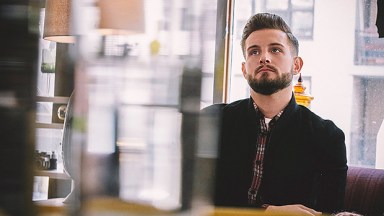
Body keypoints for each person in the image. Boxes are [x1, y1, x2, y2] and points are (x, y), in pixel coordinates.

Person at [204, 13, 348, 215]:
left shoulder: (328, 137)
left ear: (296, 65)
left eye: (275, 49)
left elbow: (329, 211)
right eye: (254, 52)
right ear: (245, 70)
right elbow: (194, 197)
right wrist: (268, 211)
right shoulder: (212, 121)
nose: (264, 57)